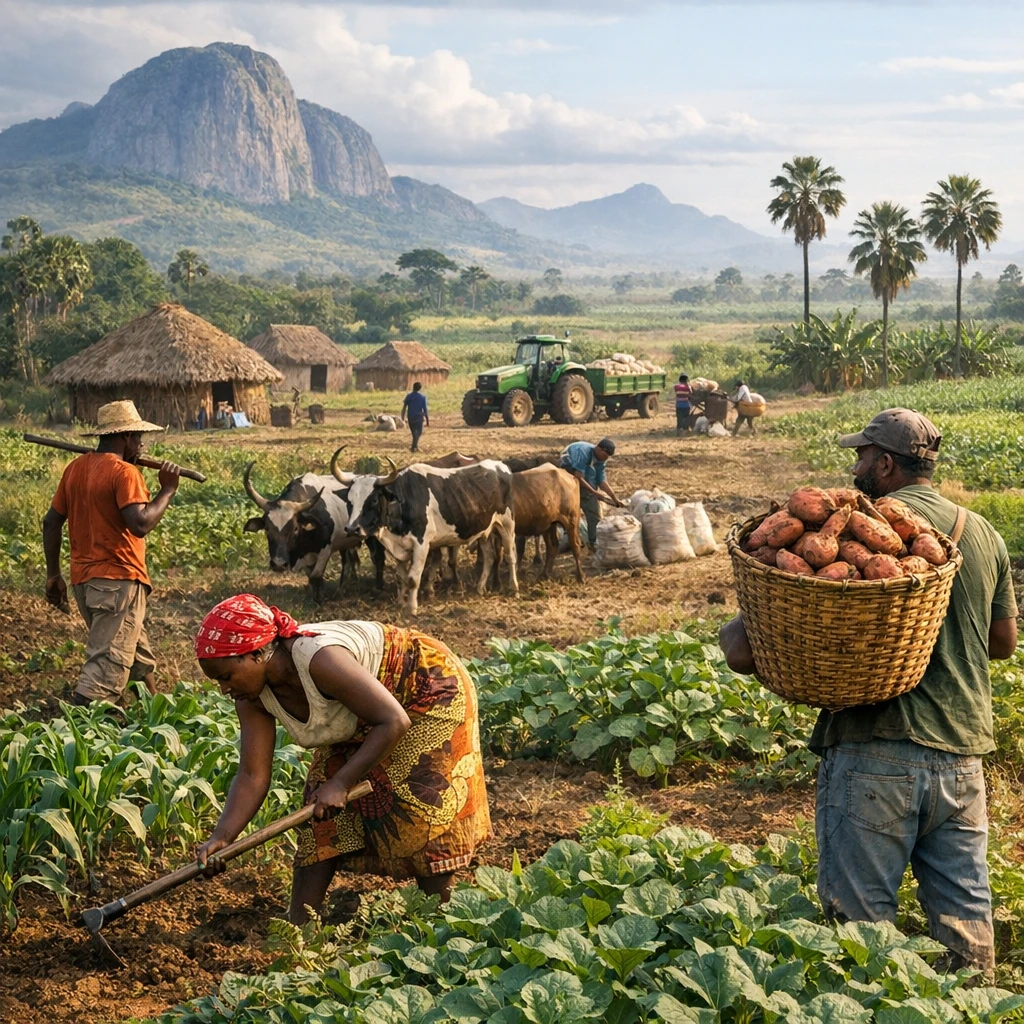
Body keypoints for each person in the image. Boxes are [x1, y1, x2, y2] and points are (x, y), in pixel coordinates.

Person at [719, 408, 1018, 973]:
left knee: (858, 932)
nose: (854, 467)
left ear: (884, 463)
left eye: (861, 456)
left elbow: (741, 652)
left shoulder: (864, 523)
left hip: (875, 748)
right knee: (965, 918)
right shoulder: (981, 534)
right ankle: (975, 1011)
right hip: (961, 757)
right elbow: (1003, 642)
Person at [194, 595, 491, 921]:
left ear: (259, 654)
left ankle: (446, 922)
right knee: (318, 816)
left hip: (424, 687)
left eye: (225, 677)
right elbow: (253, 775)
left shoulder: (318, 660)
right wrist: (222, 838)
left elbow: (393, 721)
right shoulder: (251, 697)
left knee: (421, 805)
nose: (223, 689)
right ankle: (301, 928)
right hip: (364, 714)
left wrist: (341, 782)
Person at [42, 400, 182, 705]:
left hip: (86, 585)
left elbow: (51, 522)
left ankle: (155, 711)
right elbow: (141, 524)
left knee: (134, 652)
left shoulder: (75, 469)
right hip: (117, 582)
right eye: (139, 438)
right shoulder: (124, 473)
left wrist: (54, 575)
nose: (143, 445)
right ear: (126, 437)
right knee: (106, 669)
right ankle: (74, 736)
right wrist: (167, 490)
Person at [559, 438, 624, 550]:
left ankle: (593, 543)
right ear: (599, 449)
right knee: (577, 502)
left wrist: (614, 498)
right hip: (567, 468)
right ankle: (570, 539)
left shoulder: (601, 460)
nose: (605, 459)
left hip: (583, 473)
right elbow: (578, 476)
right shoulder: (583, 452)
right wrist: (594, 493)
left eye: (607, 457)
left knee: (594, 512)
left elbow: (602, 482)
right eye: (605, 455)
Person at [401, 382, 429, 453]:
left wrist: (403, 417)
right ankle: (414, 447)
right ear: (420, 388)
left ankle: (414, 447)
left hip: (411, 417)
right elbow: (425, 409)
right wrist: (427, 420)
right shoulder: (422, 397)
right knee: (418, 433)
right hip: (419, 418)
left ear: (413, 387)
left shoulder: (409, 396)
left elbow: (404, 407)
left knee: (414, 433)